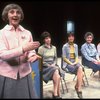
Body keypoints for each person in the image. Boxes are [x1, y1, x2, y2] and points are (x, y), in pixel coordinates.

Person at [0, 3, 41, 99]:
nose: (15, 14)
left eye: (18, 12)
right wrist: (23, 49)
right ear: (7, 15)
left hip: (25, 75)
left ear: (21, 16)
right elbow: (3, 55)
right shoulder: (1, 33)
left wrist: (32, 56)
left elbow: (31, 51)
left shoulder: (27, 33)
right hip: (7, 77)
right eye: (12, 12)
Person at [38, 31, 61, 99]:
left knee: (56, 72)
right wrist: (48, 65)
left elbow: (56, 58)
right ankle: (56, 94)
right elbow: (40, 61)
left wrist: (54, 63)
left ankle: (55, 94)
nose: (48, 39)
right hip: (45, 68)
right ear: (44, 40)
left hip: (53, 66)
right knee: (57, 72)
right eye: (46, 38)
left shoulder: (54, 48)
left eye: (49, 38)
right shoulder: (41, 48)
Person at [62, 33, 83, 99]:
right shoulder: (65, 46)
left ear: (74, 38)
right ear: (68, 38)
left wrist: (76, 62)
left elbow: (76, 56)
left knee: (80, 68)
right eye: (69, 37)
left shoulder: (75, 46)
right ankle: (78, 89)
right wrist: (71, 63)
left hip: (75, 62)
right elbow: (64, 57)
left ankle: (78, 87)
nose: (71, 38)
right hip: (68, 63)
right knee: (80, 70)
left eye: (72, 37)